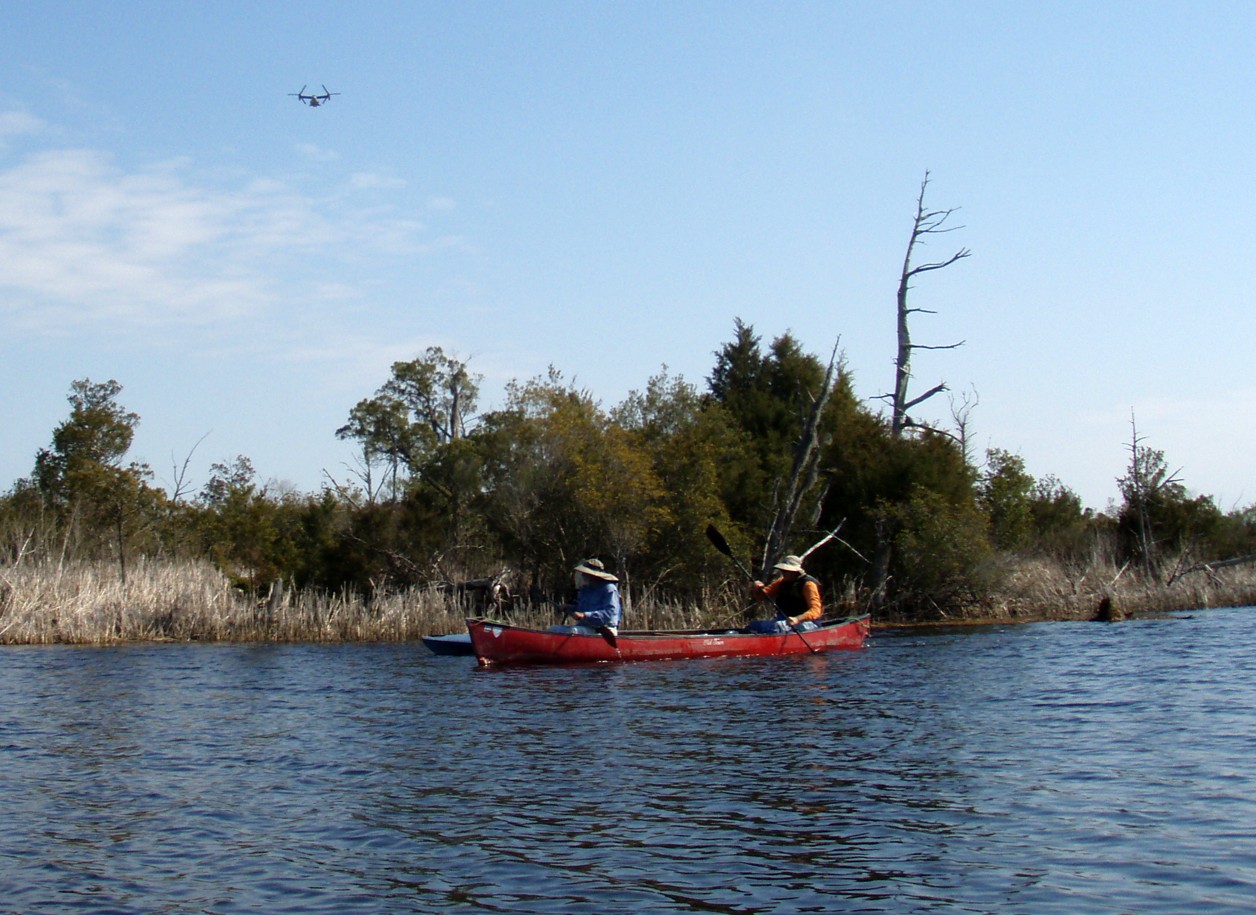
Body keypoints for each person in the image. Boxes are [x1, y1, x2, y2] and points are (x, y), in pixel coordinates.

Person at [748, 554, 822, 633]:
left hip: (807, 623)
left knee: (775, 627)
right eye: (782, 570)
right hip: (785, 620)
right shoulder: (781, 582)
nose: (783, 573)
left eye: (786, 571)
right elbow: (762, 597)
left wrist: (797, 619)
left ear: (795, 571)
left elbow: (816, 611)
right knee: (753, 625)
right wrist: (758, 589)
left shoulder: (808, 584)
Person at [556, 558, 623, 635]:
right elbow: (581, 609)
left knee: (573, 631)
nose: (583, 576)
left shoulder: (609, 588)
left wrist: (585, 615)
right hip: (585, 627)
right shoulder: (586, 589)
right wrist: (569, 608)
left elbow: (610, 613)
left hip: (604, 630)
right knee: (554, 629)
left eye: (586, 573)